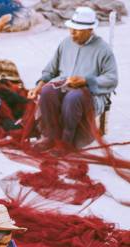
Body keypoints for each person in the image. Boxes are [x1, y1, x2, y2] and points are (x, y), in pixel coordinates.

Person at [28, 6, 119, 149]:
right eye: (71, 29)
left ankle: (66, 142)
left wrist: (86, 80)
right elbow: (50, 70)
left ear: (90, 30)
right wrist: (39, 85)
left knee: (73, 98)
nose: (72, 33)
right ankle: (50, 136)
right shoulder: (66, 43)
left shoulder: (103, 49)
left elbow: (112, 79)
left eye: (77, 30)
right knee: (46, 92)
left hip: (89, 94)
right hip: (63, 85)